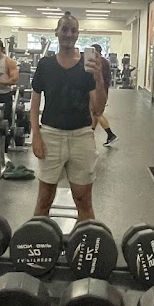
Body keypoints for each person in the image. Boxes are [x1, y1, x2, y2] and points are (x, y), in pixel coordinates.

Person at [30, 13, 106, 220]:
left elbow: (98, 109)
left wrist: (99, 78)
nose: (69, 34)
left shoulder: (87, 67)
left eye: (73, 30)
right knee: (44, 200)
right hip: (51, 135)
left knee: (83, 201)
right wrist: (36, 136)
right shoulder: (45, 65)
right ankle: (36, 239)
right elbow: (35, 104)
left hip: (81, 137)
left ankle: (86, 240)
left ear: (78, 34)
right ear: (56, 32)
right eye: (64, 29)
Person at [91, 43, 117, 146]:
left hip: (98, 90)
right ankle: (90, 134)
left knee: (97, 113)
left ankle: (110, 134)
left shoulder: (98, 62)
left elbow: (96, 77)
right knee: (95, 113)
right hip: (103, 89)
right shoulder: (104, 61)